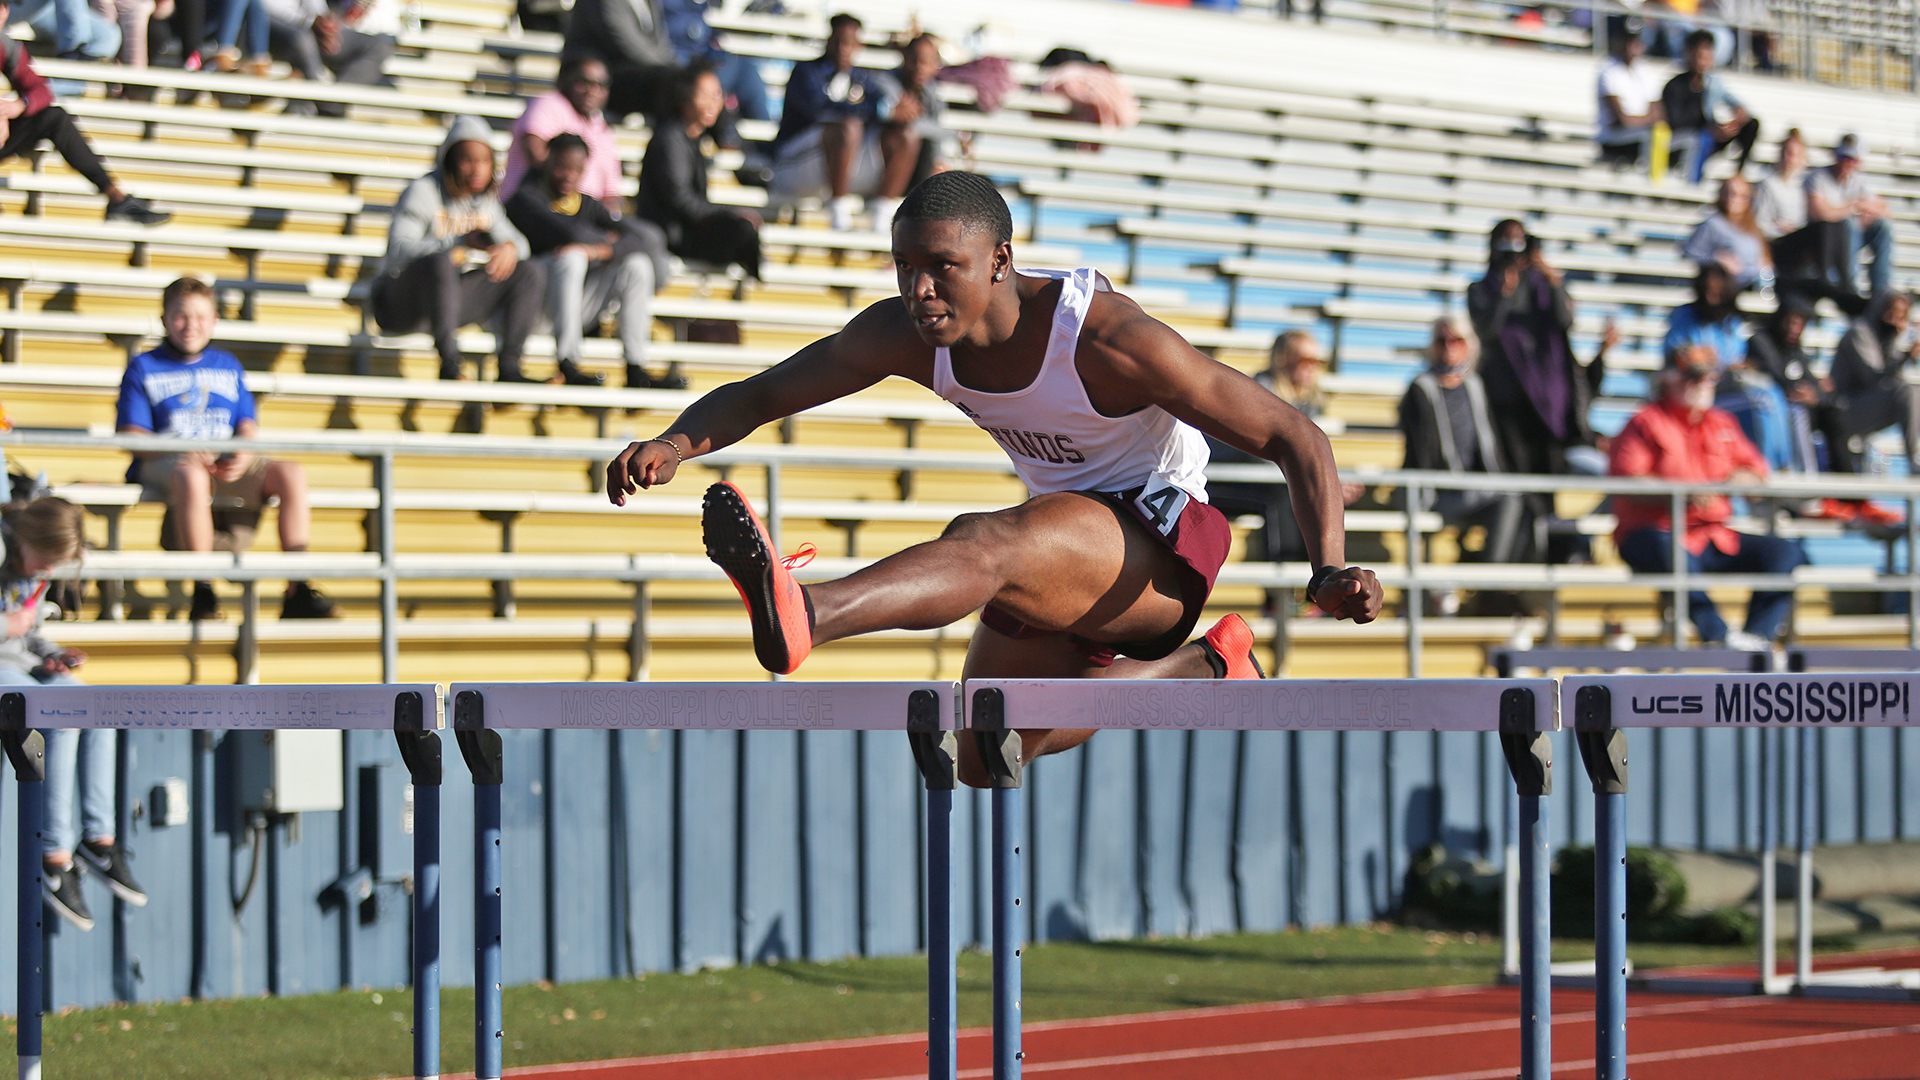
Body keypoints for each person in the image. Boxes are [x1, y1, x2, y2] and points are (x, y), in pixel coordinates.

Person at [605, 172, 1384, 785]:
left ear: (1001, 261)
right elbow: (769, 389)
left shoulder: (1106, 340)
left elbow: (1294, 433)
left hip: (1161, 549)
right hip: (1063, 547)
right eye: (905, 267)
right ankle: (1208, 665)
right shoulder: (909, 334)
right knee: (987, 748)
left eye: (942, 269)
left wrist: (1327, 568)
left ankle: (810, 611)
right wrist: (677, 443)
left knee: (980, 541)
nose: (920, 291)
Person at [116, 277, 339, 621]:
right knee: (191, 476)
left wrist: (244, 454)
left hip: (224, 459)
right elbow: (132, 436)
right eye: (181, 316)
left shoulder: (227, 364)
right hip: (171, 461)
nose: (191, 326)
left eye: (201, 317)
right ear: (163, 319)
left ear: (215, 321)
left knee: (291, 473)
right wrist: (180, 450)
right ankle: (203, 590)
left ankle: (298, 587)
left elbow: (247, 424)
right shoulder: (144, 367)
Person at [0, 497, 148, 930]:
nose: (44, 571)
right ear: (27, 539)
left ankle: (99, 840)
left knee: (93, 704)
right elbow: (14, 630)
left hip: (20, 667)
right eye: (44, 560)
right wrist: (10, 626)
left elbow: (30, 637)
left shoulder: (32, 571)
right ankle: (54, 853)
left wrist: (55, 654)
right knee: (61, 714)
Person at [1609, 347, 1808, 649]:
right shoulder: (1645, 422)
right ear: (1668, 380)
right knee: (1671, 551)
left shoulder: (1721, 422)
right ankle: (1718, 637)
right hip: (1655, 533)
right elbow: (1627, 480)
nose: (1703, 385)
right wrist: (1683, 494)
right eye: (1694, 378)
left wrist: (1734, 481)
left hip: (1713, 534)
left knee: (1784, 552)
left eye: (1709, 379)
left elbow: (1756, 470)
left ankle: (1755, 640)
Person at [372, 117, 550, 384]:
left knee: (529, 271)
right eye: (467, 160)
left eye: (484, 161)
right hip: (401, 303)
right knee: (441, 263)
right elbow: (397, 251)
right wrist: (455, 244)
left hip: (450, 304)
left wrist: (509, 249)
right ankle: (449, 365)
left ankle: (510, 368)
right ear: (450, 161)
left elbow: (521, 245)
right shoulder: (423, 191)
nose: (476, 169)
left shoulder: (486, 204)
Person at [507, 133, 671, 390]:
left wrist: (599, 251)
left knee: (636, 264)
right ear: (547, 161)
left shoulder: (585, 204)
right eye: (561, 166)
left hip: (576, 306)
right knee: (571, 258)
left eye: (576, 169)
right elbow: (570, 233)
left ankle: (635, 367)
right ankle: (567, 361)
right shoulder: (525, 199)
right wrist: (600, 241)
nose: (568, 176)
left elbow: (640, 239)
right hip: (534, 307)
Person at [1400, 316, 1537, 615]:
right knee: (1509, 497)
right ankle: (1490, 589)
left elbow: (1489, 450)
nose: (1449, 347)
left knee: (1525, 503)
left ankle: (1494, 586)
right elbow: (1420, 454)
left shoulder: (1475, 386)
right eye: (1442, 340)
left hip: (1473, 488)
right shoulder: (1420, 390)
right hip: (1437, 492)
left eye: (1457, 340)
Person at [1204, 330, 1361, 570]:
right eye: (1305, 360)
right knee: (1279, 498)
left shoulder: (1309, 400)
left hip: (1260, 479)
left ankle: (1312, 588)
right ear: (1282, 359)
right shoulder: (1259, 392)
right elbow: (1258, 455)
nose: (1313, 367)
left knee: (1315, 496)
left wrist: (1329, 485)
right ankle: (1280, 594)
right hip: (1219, 477)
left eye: (1317, 361)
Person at [0, 4, 169, 224]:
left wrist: (19, 105)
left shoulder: (5, 45)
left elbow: (40, 89)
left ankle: (116, 197)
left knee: (55, 117)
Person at [770, 13, 924, 231]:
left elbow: (885, 106)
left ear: (858, 46)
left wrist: (901, 109)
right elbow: (819, 109)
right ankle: (838, 210)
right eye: (838, 41)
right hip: (794, 166)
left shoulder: (861, 79)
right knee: (847, 127)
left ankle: (882, 210)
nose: (843, 48)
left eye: (850, 43)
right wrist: (883, 110)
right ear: (828, 40)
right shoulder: (806, 72)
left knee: (904, 136)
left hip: (835, 163)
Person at [1467, 220, 1597, 478]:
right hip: (1504, 397)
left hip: (1546, 399)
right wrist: (1503, 295)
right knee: (1514, 468)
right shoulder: (1481, 289)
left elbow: (1565, 321)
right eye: (1506, 239)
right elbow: (1485, 331)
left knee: (1547, 468)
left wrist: (1553, 279)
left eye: (1519, 240)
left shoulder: (1543, 288)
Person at [636, 61, 762, 286]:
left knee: (744, 230)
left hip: (684, 227)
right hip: (672, 233)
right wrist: (730, 214)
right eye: (705, 96)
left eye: (717, 96)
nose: (714, 104)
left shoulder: (692, 139)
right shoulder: (670, 138)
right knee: (741, 230)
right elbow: (680, 200)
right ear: (684, 98)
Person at [1819, 291, 1920, 489]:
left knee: (1915, 394)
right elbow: (1874, 378)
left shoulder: (1889, 338)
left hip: (1868, 407)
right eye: (1891, 311)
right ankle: (1914, 459)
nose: (1895, 319)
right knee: (1907, 391)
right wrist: (1904, 355)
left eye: (1901, 314)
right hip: (1843, 411)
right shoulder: (1860, 333)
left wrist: (1899, 343)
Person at [1756, 129, 1861, 314]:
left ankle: (1842, 279)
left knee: (1833, 224)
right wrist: (1777, 226)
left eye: (1796, 154)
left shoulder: (1807, 184)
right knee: (1824, 226)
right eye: (1787, 153)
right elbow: (1757, 223)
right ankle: (1829, 277)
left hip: (1803, 241)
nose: (1791, 158)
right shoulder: (1769, 184)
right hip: (1779, 243)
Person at [501, 57, 623, 204]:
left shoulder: (602, 130)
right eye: (584, 82)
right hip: (539, 208)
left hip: (583, 217)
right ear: (566, 80)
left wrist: (610, 220)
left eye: (601, 85)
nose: (592, 91)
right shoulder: (549, 104)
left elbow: (611, 193)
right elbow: (536, 155)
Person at [266, 0, 398, 118]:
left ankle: (333, 100)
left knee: (377, 46)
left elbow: (316, 9)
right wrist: (310, 21)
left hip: (312, 29)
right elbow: (265, 7)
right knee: (302, 40)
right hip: (274, 31)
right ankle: (324, 102)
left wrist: (327, 24)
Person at [1660, 28, 1757, 185]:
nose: (1704, 61)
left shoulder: (1713, 83)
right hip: (1685, 141)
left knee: (1751, 124)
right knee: (1700, 139)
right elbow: (1677, 123)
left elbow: (1734, 102)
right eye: (1700, 56)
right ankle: (1694, 182)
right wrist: (1712, 129)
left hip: (1708, 135)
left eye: (1707, 56)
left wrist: (1738, 115)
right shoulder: (1675, 86)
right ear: (1689, 54)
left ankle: (1739, 174)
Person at [1807, 134, 1895, 300]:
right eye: (1843, 157)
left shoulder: (1858, 182)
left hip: (1851, 237)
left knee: (1883, 227)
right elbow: (1821, 213)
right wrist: (1853, 207)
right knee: (1847, 224)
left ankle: (1881, 288)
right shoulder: (1819, 178)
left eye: (1852, 159)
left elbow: (1885, 209)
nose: (1846, 163)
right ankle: (1850, 284)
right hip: (1825, 241)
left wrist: (1865, 210)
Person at [560, 0, 674, 123]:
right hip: (602, 77)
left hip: (637, 71)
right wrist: (668, 71)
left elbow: (660, 41)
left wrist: (678, 72)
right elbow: (625, 42)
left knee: (681, 84)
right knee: (670, 83)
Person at [658, 0, 771, 124]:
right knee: (706, 87)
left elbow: (702, 35)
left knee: (746, 70)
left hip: (702, 60)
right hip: (675, 65)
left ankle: (762, 134)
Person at [1595, 16, 1667, 170]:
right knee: (1649, 137)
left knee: (1667, 136)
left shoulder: (1644, 71)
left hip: (1638, 136)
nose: (1630, 47)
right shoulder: (1608, 71)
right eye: (1626, 40)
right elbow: (1622, 120)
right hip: (1614, 140)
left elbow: (1659, 115)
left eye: (1634, 41)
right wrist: (1648, 119)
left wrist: (1641, 120)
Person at [1682, 176, 1771, 291]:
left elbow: (1763, 258)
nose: (1733, 199)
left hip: (1754, 283)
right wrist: (1716, 259)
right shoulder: (1712, 224)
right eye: (1729, 193)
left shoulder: (1752, 227)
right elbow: (1690, 253)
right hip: (1726, 286)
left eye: (1741, 195)